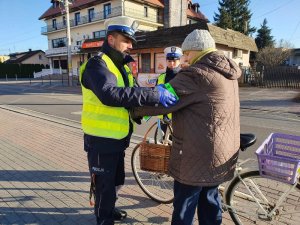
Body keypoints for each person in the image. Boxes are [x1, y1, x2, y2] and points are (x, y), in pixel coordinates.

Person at [131, 29, 241, 225]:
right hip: (220, 150)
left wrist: (135, 110)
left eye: (187, 54)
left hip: (196, 152)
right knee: (210, 200)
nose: (184, 60)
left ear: (199, 51)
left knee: (184, 205)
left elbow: (161, 98)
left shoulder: (197, 74)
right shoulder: (227, 72)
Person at [79, 16, 177, 225]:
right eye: (126, 40)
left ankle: (109, 208)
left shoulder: (120, 65)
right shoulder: (97, 64)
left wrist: (146, 108)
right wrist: (153, 95)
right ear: (111, 39)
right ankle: (103, 219)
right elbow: (110, 94)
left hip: (118, 138)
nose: (130, 46)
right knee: (104, 187)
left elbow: (129, 96)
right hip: (100, 141)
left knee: (116, 181)